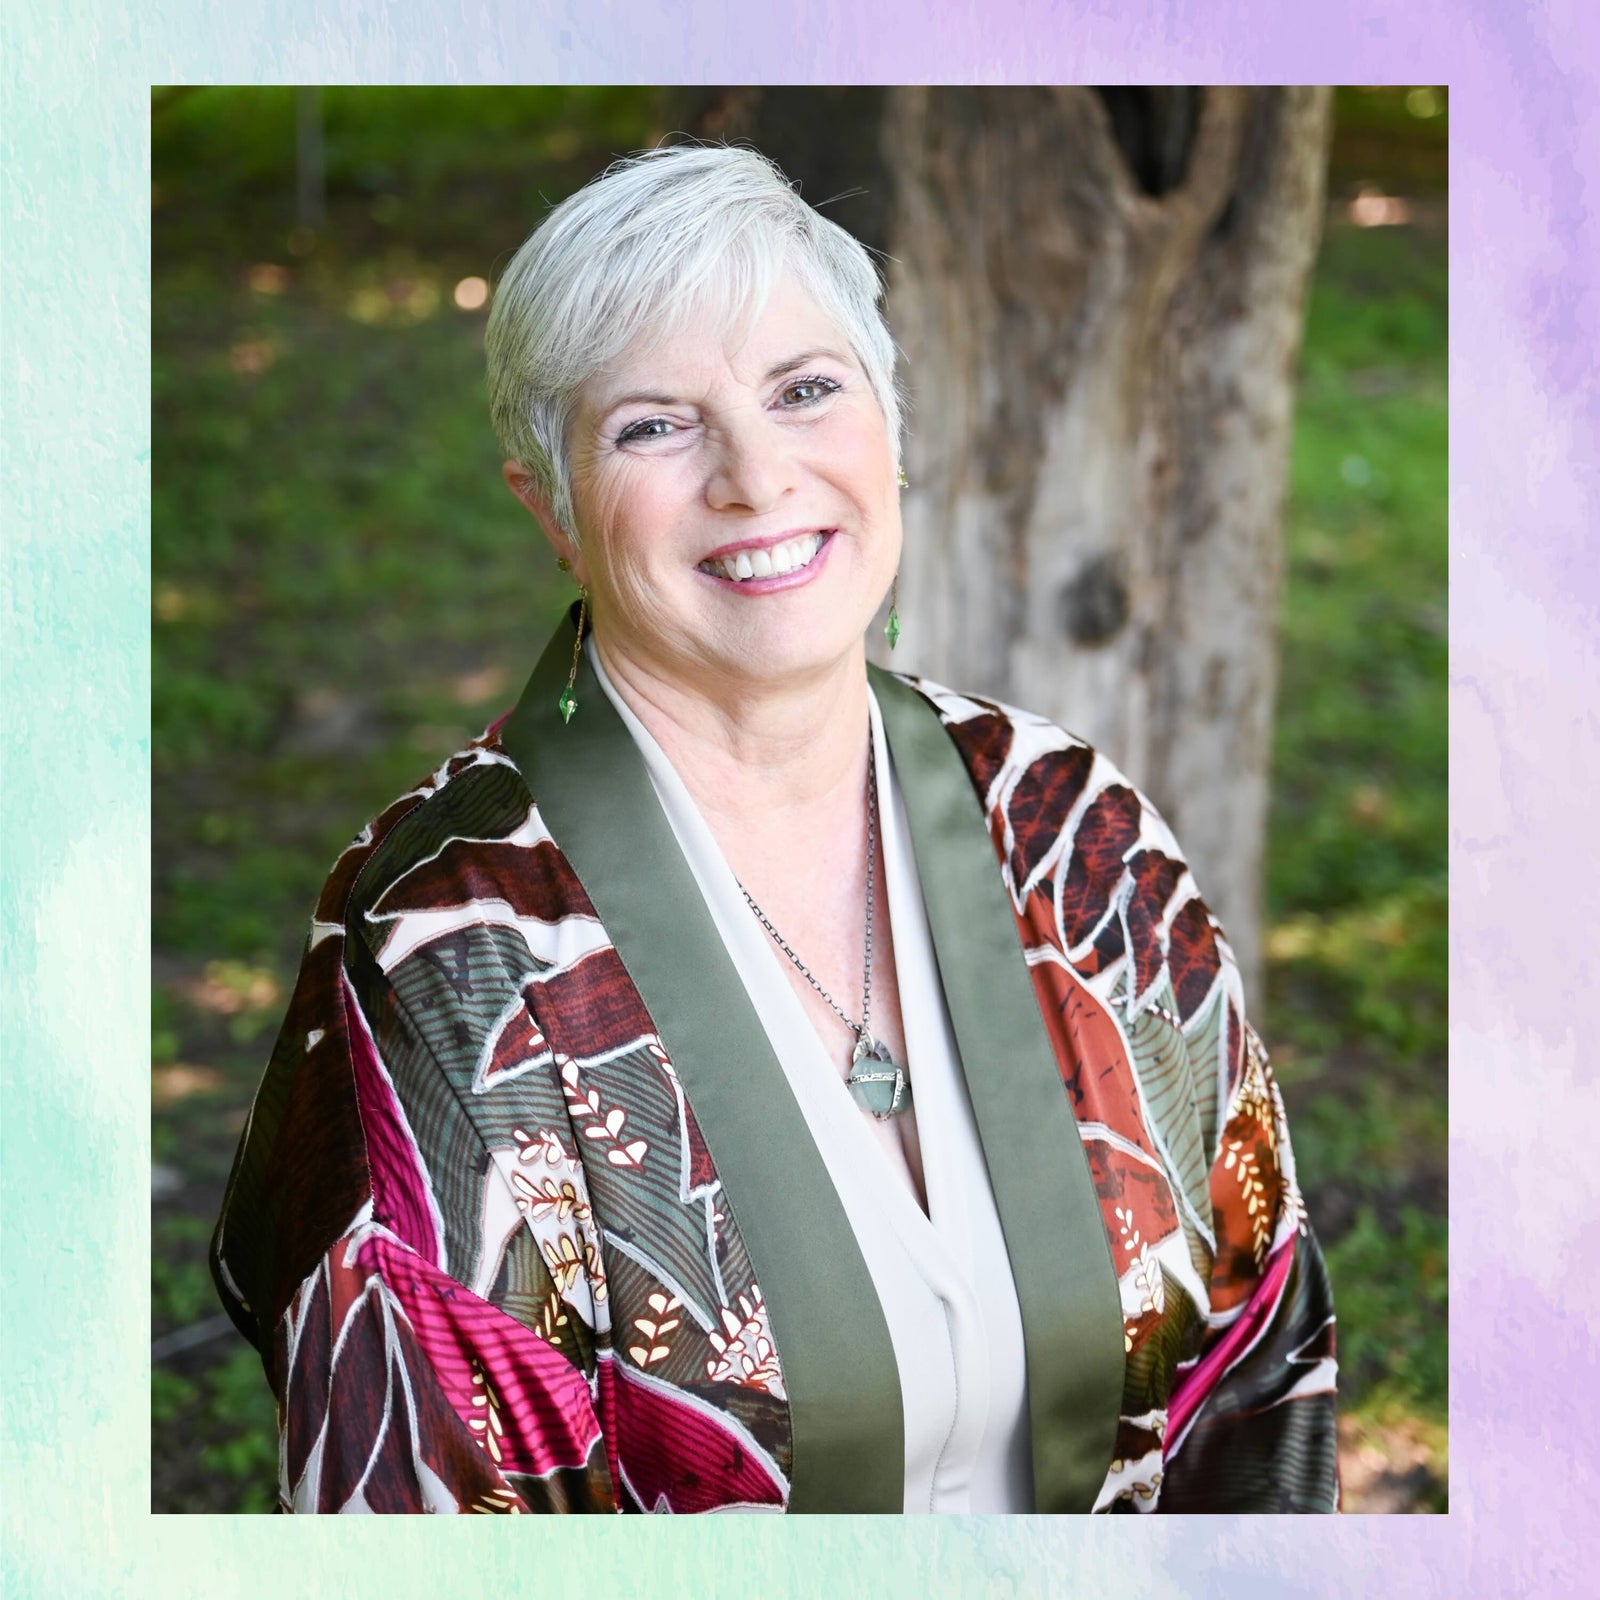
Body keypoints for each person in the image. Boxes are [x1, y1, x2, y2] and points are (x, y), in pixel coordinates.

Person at [209, 143, 1337, 1515]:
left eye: (805, 390)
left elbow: (1260, 1366)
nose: (756, 476)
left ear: (891, 430)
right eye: (653, 426)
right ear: (551, 509)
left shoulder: (1071, 830)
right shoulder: (443, 950)